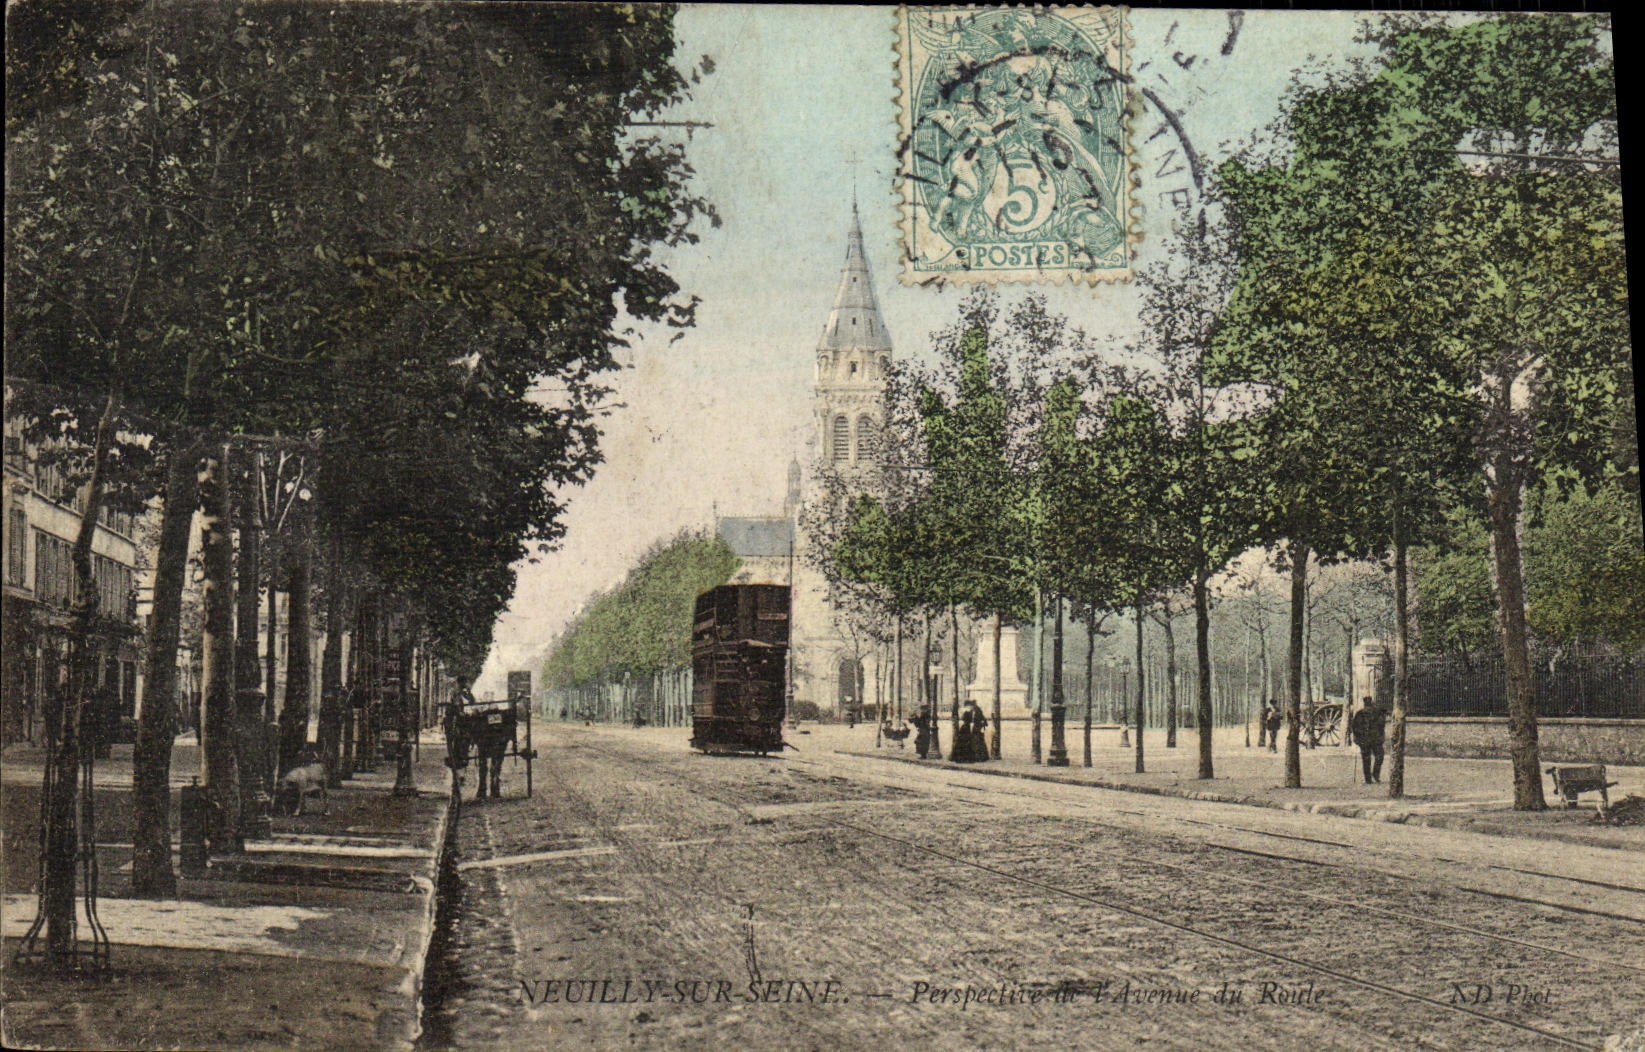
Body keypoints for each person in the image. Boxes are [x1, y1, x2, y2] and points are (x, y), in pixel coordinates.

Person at [1350, 698, 1387, 784]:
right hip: (1367, 740)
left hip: (1373, 740)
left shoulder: (1376, 713)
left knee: (1376, 757)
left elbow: (1381, 726)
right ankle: (1370, 778)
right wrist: (1357, 738)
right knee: (1371, 758)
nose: (1368, 708)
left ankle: (1374, 775)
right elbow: (1355, 727)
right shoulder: (1360, 714)